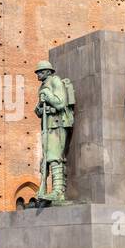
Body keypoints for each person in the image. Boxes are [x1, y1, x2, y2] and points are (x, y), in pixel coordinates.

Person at [34, 60, 74, 204]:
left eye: (40, 71)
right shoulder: (43, 86)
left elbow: (60, 102)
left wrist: (47, 95)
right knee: (47, 158)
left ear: (48, 71)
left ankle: (58, 191)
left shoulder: (55, 81)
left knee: (54, 156)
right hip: (47, 125)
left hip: (58, 123)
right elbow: (37, 110)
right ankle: (50, 189)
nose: (37, 74)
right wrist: (39, 108)